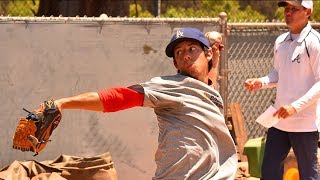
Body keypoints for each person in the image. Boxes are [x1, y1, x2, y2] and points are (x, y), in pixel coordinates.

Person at [52, 27, 237, 179]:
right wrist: (63, 103)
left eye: (191, 49)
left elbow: (206, 83)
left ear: (208, 54)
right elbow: (120, 96)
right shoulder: (168, 86)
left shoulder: (212, 93)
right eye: (179, 52)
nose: (185, 55)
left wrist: (215, 58)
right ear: (175, 64)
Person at [244, 1, 320, 179]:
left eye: (294, 9)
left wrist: (295, 107)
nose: (288, 13)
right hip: (279, 121)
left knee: (309, 175)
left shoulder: (315, 42)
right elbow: (278, 74)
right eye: (287, 9)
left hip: (305, 124)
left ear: (307, 11)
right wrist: (260, 82)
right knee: (269, 172)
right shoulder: (280, 41)